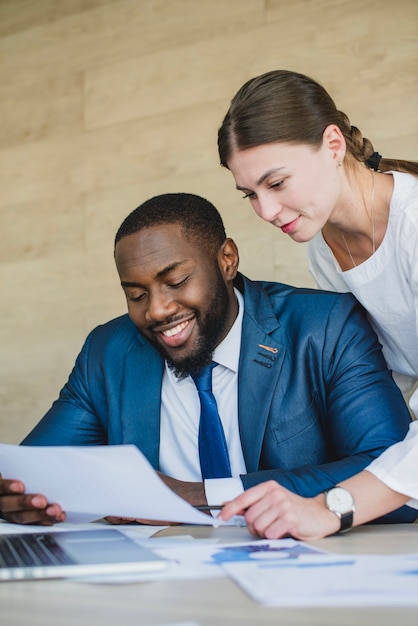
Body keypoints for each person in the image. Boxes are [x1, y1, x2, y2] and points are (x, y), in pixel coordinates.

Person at [0, 193, 415, 527]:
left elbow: (391, 471)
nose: (157, 310)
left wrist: (197, 495)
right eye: (136, 294)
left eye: (176, 281)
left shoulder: (324, 327)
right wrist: (21, 502)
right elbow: (33, 473)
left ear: (227, 260)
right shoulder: (108, 352)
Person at [216, 68, 418, 536]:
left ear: (333, 145)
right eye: (250, 194)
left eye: (278, 183)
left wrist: (331, 508)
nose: (265, 211)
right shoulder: (323, 250)